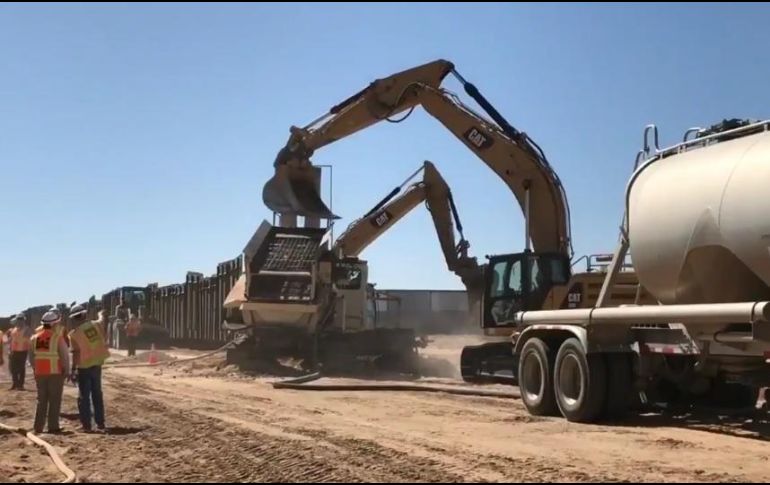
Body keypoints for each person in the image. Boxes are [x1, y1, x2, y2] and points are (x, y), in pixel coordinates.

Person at [68, 304, 110, 432]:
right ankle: (100, 423)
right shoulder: (95, 325)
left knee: (84, 396)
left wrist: (73, 369)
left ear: (74, 318)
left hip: (84, 367)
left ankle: (86, 425)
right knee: (97, 394)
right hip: (97, 363)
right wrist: (101, 314)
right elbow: (102, 320)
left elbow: (76, 353)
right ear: (84, 315)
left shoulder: (74, 334)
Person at [29, 309, 70, 434]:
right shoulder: (57, 338)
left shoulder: (34, 338)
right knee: (54, 400)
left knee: (41, 400)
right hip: (55, 373)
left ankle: (38, 427)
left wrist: (35, 368)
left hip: (39, 373)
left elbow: (31, 357)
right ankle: (53, 426)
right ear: (54, 324)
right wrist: (67, 371)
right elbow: (64, 356)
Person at [8, 313, 32, 391]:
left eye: (21, 320)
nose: (19, 321)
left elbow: (29, 340)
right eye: (18, 320)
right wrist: (10, 350)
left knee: (21, 368)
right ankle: (15, 384)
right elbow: (11, 340)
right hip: (14, 351)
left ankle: (20, 385)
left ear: (23, 320)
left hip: (23, 351)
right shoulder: (14, 329)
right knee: (13, 368)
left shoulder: (27, 329)